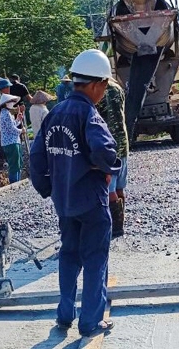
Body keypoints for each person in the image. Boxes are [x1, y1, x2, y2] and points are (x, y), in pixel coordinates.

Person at [30, 49, 119, 337]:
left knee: (69, 255)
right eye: (105, 86)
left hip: (64, 201)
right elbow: (105, 150)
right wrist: (106, 165)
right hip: (91, 202)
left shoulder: (55, 112)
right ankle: (91, 322)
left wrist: (49, 188)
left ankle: (65, 315)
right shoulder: (88, 114)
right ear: (95, 84)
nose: (104, 92)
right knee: (95, 259)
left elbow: (36, 158)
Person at [96, 79, 128, 238]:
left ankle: (115, 228)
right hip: (123, 141)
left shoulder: (97, 89)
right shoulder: (117, 88)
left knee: (109, 190)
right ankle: (121, 220)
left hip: (108, 144)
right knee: (120, 187)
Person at [0, 94, 25, 184]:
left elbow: (12, 125)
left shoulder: (7, 113)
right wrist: (21, 131)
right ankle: (14, 183)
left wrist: (18, 120)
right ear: (5, 103)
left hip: (13, 141)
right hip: (11, 142)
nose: (12, 103)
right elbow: (12, 129)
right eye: (10, 101)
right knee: (14, 164)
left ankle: (17, 182)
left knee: (18, 163)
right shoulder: (5, 113)